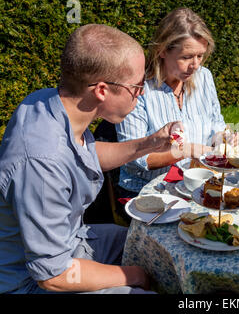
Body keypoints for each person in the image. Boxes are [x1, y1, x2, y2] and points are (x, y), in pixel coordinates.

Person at [0, 24, 182, 294]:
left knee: (156, 243)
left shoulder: (51, 103)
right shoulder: (41, 162)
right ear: (102, 90)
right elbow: (54, 275)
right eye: (136, 86)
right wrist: (133, 275)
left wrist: (150, 143)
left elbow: (87, 156)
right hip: (30, 282)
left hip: (72, 241)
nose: (141, 93)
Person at [115, 7, 238, 197]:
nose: (195, 65)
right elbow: (133, 157)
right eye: (186, 57)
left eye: (200, 55)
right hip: (149, 190)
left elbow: (216, 123)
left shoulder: (204, 77)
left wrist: (223, 139)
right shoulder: (138, 88)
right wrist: (185, 151)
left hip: (196, 182)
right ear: (162, 51)